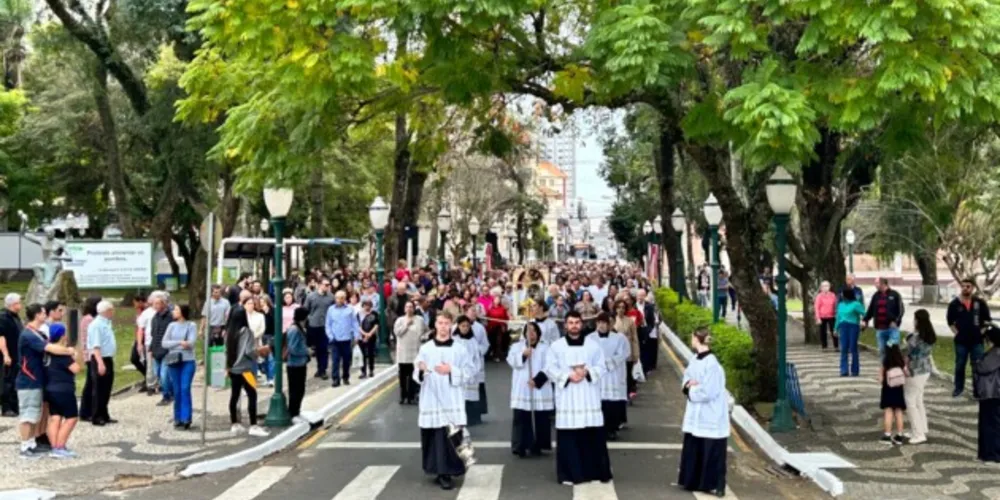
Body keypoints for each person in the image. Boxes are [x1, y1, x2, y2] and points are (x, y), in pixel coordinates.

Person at [545, 310, 612, 485]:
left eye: (577, 322)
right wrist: (568, 376)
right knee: (569, 437)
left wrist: (588, 372)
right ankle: (569, 474)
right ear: (565, 325)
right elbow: (549, 368)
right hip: (568, 397)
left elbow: (602, 366)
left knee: (591, 435)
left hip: (588, 395)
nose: (574, 326)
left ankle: (595, 473)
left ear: (582, 324)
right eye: (571, 323)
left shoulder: (593, 346)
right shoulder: (556, 346)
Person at [415, 311, 472, 491]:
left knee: (450, 436)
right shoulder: (426, 349)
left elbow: (469, 372)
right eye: (440, 323)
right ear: (435, 325)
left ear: (451, 326)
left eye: (447, 323)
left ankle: (450, 470)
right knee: (435, 436)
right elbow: (416, 372)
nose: (443, 327)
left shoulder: (460, 349)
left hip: (451, 398)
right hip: (432, 398)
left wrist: (451, 370)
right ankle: (439, 471)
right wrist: (421, 370)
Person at [17, 303, 75, 458]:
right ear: (37, 315)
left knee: (36, 413)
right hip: (28, 380)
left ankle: (32, 443)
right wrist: (68, 351)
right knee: (28, 415)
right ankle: (24, 447)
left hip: (38, 380)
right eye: (43, 313)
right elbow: (49, 348)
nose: (46, 315)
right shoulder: (28, 335)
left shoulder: (38, 333)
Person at [677, 327, 729, 497]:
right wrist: (687, 385)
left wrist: (693, 389)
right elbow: (687, 378)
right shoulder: (694, 359)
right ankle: (693, 480)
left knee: (712, 451)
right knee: (695, 447)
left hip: (710, 413)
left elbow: (708, 391)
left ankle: (714, 484)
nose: (691, 340)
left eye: (692, 337)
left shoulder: (712, 364)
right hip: (696, 412)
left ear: (697, 339)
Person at [506, 322, 553, 457]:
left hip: (539, 386)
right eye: (528, 331)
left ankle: (538, 445)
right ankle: (520, 445)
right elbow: (511, 361)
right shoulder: (517, 347)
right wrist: (524, 355)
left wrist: (538, 380)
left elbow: (550, 366)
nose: (531, 334)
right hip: (522, 386)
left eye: (534, 331)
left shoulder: (546, 348)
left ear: (538, 334)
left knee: (540, 416)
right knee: (521, 416)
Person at [225, 308, 270, 437]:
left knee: (234, 395)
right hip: (246, 369)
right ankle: (253, 425)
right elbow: (248, 351)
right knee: (252, 395)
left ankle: (235, 424)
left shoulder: (229, 332)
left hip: (233, 368)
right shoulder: (247, 332)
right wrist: (258, 353)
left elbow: (226, 351)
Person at [946, 279, 992, 397]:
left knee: (977, 366)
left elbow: (987, 320)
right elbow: (950, 321)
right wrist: (957, 333)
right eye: (963, 286)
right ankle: (958, 388)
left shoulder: (979, 303)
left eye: (968, 286)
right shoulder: (954, 304)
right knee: (960, 365)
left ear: (973, 288)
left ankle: (978, 390)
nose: (965, 288)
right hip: (961, 342)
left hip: (977, 341)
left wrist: (981, 332)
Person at [44, 324, 80, 458]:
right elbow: (76, 369)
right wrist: (75, 356)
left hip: (50, 388)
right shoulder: (63, 353)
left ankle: (54, 446)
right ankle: (60, 446)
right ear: (63, 336)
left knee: (55, 417)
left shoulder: (48, 352)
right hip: (64, 389)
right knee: (71, 418)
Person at [591, 312, 629, 439]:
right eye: (599, 323)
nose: (601, 326)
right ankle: (598, 429)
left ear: (609, 324)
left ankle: (612, 429)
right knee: (599, 403)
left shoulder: (619, 338)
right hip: (598, 375)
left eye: (604, 323)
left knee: (612, 404)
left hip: (613, 375)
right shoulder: (590, 339)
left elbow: (624, 353)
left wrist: (608, 363)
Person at [162, 304, 197, 430]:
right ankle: (177, 417)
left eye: (176, 309)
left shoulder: (191, 325)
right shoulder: (171, 326)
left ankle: (186, 417)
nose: (173, 311)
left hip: (188, 360)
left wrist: (181, 344)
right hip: (174, 361)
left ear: (182, 312)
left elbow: (191, 343)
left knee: (185, 388)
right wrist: (179, 343)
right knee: (176, 389)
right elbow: (164, 343)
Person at [904, 309, 936, 445]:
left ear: (917, 320)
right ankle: (921, 428)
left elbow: (906, 351)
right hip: (925, 369)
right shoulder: (930, 335)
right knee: (918, 400)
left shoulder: (915, 337)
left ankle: (918, 433)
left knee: (910, 401)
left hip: (914, 370)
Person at [87, 301, 117, 427]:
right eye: (111, 310)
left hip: (108, 357)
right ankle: (97, 415)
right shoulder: (96, 325)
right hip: (100, 358)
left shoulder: (106, 323)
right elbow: (96, 346)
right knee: (99, 388)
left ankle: (104, 413)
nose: (113, 312)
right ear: (106, 311)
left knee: (106, 387)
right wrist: (100, 363)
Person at [974, 326, 1000, 462]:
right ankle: (985, 453)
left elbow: (983, 367)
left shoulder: (996, 353)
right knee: (988, 424)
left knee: (991, 425)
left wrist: (977, 361)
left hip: (993, 393)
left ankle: (993, 455)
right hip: (990, 393)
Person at [325, 290, 361, 387]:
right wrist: (330, 336)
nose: (339, 300)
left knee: (346, 360)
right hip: (335, 339)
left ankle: (345, 377)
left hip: (347, 339)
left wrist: (357, 335)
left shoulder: (350, 309)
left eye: (342, 298)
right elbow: (328, 324)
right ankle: (335, 379)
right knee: (335, 360)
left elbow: (355, 323)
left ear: (345, 299)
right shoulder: (330, 309)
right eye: (337, 298)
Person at [863, 278, 905, 359]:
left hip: (892, 329)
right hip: (880, 329)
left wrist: (896, 321)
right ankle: (884, 369)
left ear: (883, 284)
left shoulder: (894, 294)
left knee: (891, 348)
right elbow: (870, 309)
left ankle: (894, 368)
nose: (875, 285)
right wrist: (865, 320)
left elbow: (901, 310)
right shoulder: (876, 296)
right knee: (882, 350)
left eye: (876, 283)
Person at [303, 278, 334, 379]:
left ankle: (323, 369)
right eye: (326, 284)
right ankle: (319, 368)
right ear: (320, 285)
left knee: (323, 348)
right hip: (313, 326)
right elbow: (305, 309)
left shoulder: (331, 297)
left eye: (328, 285)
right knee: (317, 349)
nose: (327, 286)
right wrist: (308, 320)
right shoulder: (311, 296)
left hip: (326, 326)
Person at [395, 301, 424, 404]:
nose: (409, 309)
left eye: (411, 307)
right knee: (403, 377)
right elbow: (397, 333)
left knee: (413, 376)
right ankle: (403, 396)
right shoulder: (400, 320)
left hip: (415, 352)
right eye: (407, 307)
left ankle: (412, 396)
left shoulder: (420, 320)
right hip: (403, 353)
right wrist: (406, 325)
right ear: (404, 309)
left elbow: (423, 332)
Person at [147, 293, 173, 405]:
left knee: (164, 375)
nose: (155, 305)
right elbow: (154, 334)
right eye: (154, 303)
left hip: (167, 350)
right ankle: (170, 392)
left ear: (164, 304)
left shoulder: (170, 317)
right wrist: (151, 349)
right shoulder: (154, 318)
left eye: (157, 303)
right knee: (159, 374)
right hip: (156, 350)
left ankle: (166, 396)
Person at [879, 344, 907, 445]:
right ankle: (899, 435)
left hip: (888, 389)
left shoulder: (885, 362)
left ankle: (887, 435)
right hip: (899, 389)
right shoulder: (901, 362)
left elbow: (880, 378)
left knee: (888, 411)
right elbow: (906, 374)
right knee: (899, 412)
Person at [0, 293, 23, 417]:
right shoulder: (3, 317)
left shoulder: (15, 317)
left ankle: (14, 406)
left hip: (16, 354)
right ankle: (6, 407)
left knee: (15, 380)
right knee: (7, 380)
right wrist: (5, 354)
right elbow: (1, 337)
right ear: (13, 304)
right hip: (8, 355)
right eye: (19, 302)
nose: (21, 304)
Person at [285, 307, 310, 419]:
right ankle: (293, 411)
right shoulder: (295, 330)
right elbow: (293, 348)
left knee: (300, 389)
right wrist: (306, 351)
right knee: (296, 390)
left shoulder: (300, 328)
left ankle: (296, 410)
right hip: (294, 364)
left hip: (300, 363)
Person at [613, 299, 640, 400]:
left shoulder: (630, 321)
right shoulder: (612, 321)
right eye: (619, 307)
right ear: (615, 309)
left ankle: (628, 392)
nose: (621, 309)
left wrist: (636, 354)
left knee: (628, 373)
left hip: (628, 350)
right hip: (615, 352)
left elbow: (635, 338)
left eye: (623, 308)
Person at [836, 287, 865, 377]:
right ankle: (844, 370)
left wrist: (864, 322)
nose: (841, 295)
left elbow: (864, 313)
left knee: (853, 348)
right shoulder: (840, 305)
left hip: (853, 326)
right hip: (843, 326)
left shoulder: (856, 304)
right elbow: (838, 317)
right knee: (844, 348)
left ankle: (855, 370)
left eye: (843, 294)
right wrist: (835, 328)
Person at [636, 289, 658, 373]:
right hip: (637, 329)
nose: (640, 298)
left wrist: (648, 329)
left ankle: (647, 367)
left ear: (645, 296)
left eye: (642, 296)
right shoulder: (634, 306)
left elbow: (652, 321)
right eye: (639, 296)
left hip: (646, 330)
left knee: (647, 349)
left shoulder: (649, 307)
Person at [485, 294, 510, 362]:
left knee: (499, 342)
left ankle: (498, 355)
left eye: (498, 299)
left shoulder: (502, 308)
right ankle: (492, 354)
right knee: (492, 342)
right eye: (496, 299)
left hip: (500, 328)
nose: (497, 300)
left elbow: (505, 318)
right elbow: (487, 318)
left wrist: (504, 326)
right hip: (492, 327)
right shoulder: (490, 308)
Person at [357, 300, 379, 379]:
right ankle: (363, 371)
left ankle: (371, 370)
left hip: (371, 336)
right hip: (361, 336)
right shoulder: (359, 314)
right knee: (362, 355)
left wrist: (369, 334)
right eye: (365, 305)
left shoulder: (374, 314)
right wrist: (364, 334)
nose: (367, 307)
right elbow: (358, 326)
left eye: (369, 305)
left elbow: (376, 325)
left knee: (370, 354)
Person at [814, 281, 838, 350]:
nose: (825, 288)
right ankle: (824, 346)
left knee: (834, 330)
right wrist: (818, 318)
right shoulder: (819, 296)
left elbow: (836, 305)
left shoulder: (833, 295)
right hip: (822, 316)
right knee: (823, 332)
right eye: (823, 286)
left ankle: (836, 346)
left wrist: (836, 313)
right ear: (821, 288)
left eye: (827, 286)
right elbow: (816, 307)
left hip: (832, 316)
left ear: (829, 287)